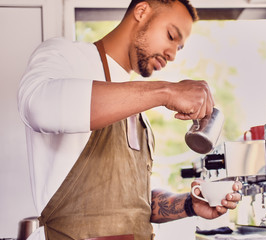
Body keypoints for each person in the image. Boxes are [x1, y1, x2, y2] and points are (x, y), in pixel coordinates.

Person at [18, 0, 242, 239]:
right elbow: (38, 106)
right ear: (142, 11)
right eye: (170, 35)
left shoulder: (139, 114)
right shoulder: (67, 57)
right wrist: (166, 91)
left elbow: (135, 204)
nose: (173, 54)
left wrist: (189, 204)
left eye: (180, 47)